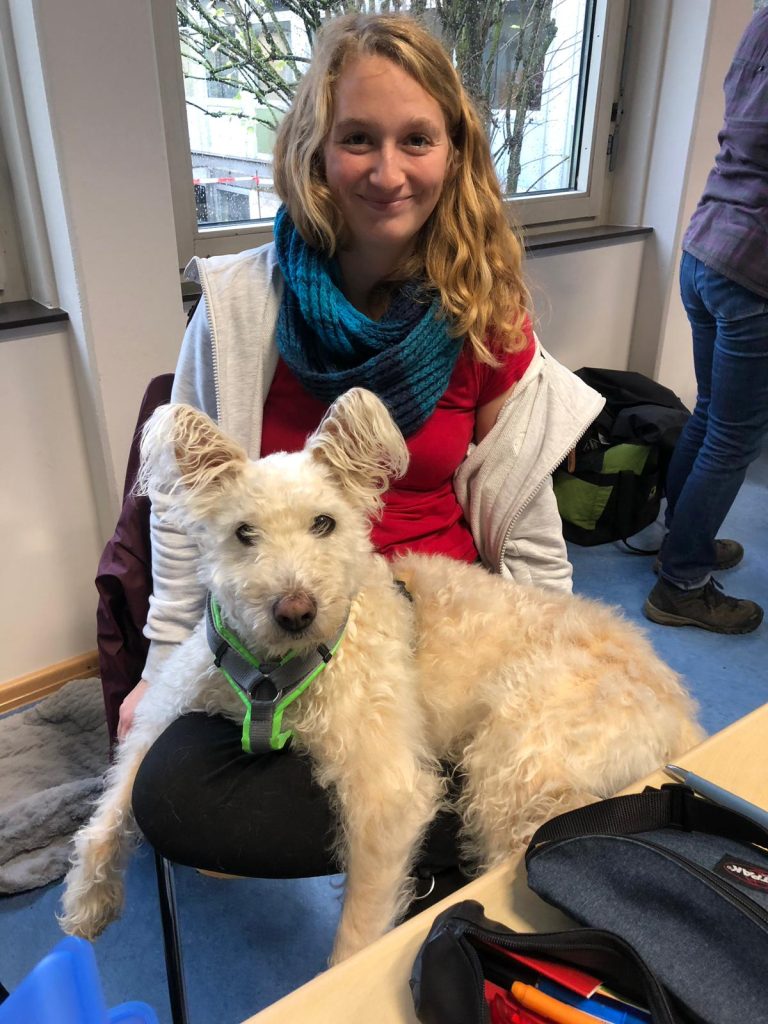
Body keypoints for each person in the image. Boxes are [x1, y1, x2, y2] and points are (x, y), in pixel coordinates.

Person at [121, 12, 603, 906]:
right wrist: (156, 669)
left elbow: (527, 517)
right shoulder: (237, 307)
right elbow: (190, 520)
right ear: (315, 150)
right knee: (174, 796)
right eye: (358, 140)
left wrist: (561, 663)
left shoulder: (485, 314)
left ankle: (442, 809)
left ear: (453, 151)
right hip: (276, 635)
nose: (388, 172)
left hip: (438, 630)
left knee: (537, 753)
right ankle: (437, 811)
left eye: (416, 139)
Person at [644, 7, 768, 636]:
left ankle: (680, 537)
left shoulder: (761, 19)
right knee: (734, 437)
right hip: (753, 266)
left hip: (707, 247)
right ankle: (682, 582)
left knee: (713, 413)